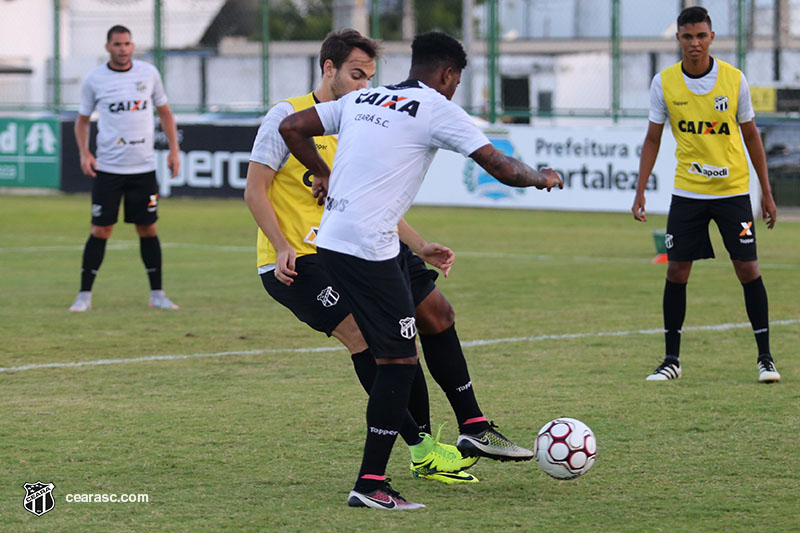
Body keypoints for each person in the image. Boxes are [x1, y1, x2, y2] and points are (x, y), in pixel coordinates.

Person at [280, 31, 563, 510]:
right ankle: (370, 483)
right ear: (450, 75)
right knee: (398, 362)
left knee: (437, 313)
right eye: (456, 80)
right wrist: (543, 176)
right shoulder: (436, 107)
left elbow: (292, 127)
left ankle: (473, 427)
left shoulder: (366, 96)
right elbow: (501, 167)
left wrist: (320, 172)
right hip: (364, 248)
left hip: (350, 239)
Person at [632, 6, 780, 383]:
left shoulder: (734, 80)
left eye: (701, 35)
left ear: (711, 38)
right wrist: (641, 190)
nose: (694, 43)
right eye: (687, 36)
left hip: (732, 190)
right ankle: (671, 361)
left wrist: (765, 191)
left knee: (748, 269)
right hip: (688, 191)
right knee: (677, 270)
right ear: (678, 39)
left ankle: (765, 359)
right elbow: (652, 138)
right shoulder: (663, 83)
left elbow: (751, 136)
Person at [69, 25, 181, 312]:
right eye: (117, 44)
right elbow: (82, 121)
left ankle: (157, 294)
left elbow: (165, 112)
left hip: (143, 169)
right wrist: (85, 153)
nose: (123, 49)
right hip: (108, 169)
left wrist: (174, 151)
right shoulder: (95, 79)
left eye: (127, 43)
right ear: (108, 47)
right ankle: (84, 295)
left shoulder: (148, 74)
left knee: (148, 228)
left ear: (133, 46)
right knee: (101, 229)